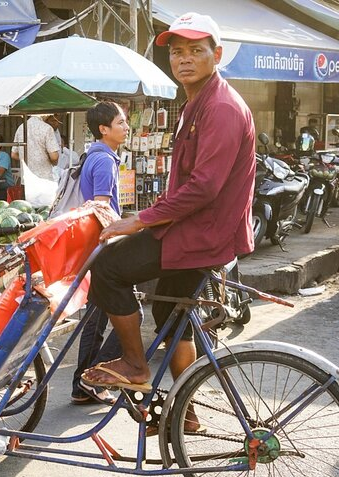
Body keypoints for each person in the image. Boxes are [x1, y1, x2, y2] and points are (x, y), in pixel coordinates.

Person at [80, 12, 255, 435]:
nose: (185, 60)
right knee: (172, 318)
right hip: (197, 230)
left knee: (107, 267)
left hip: (201, 233)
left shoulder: (222, 107)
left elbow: (203, 188)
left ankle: (135, 364)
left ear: (217, 54)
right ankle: (186, 412)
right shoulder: (198, 101)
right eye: (177, 52)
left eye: (196, 50)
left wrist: (139, 220)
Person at [70, 101, 130, 405]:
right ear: (103, 129)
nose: (126, 127)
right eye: (120, 122)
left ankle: (82, 385)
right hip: (105, 247)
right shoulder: (105, 160)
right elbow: (102, 208)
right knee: (130, 315)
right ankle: (95, 375)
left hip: (96, 246)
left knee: (96, 318)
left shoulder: (94, 156)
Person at [11, 115, 60, 181]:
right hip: (44, 177)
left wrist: (29, 160)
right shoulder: (47, 128)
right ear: (47, 114)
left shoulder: (21, 128)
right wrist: (54, 163)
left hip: (27, 178)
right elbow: (54, 157)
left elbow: (13, 155)